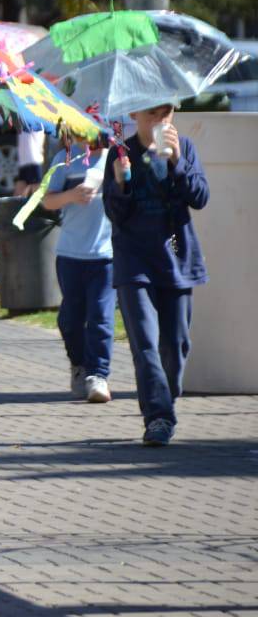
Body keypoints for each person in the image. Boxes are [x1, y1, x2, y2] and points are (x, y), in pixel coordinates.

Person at [103, 104, 208, 447]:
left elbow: (200, 197)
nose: (160, 122)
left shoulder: (185, 147)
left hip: (177, 259)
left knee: (176, 347)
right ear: (134, 114)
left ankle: (165, 397)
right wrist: (121, 182)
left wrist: (177, 162)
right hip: (134, 263)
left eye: (166, 115)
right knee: (145, 345)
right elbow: (114, 213)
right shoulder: (121, 153)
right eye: (152, 115)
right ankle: (158, 417)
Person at [41, 143, 114, 403]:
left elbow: (130, 194)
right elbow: (47, 200)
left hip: (106, 255)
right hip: (70, 253)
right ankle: (79, 365)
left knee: (101, 316)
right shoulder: (66, 158)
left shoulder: (116, 158)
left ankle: (98, 375)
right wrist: (71, 195)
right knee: (70, 320)